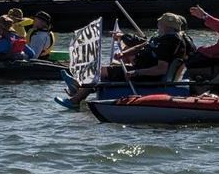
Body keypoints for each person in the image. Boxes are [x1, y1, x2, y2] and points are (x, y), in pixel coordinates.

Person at [55, 13, 186, 109]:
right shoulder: (160, 38)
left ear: (165, 26)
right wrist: (124, 53)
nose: (157, 25)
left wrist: (136, 73)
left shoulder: (168, 42)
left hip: (145, 76)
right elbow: (142, 46)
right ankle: (77, 86)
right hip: (138, 68)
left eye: (159, 23)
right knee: (105, 68)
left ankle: (75, 100)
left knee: (98, 71)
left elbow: (161, 68)